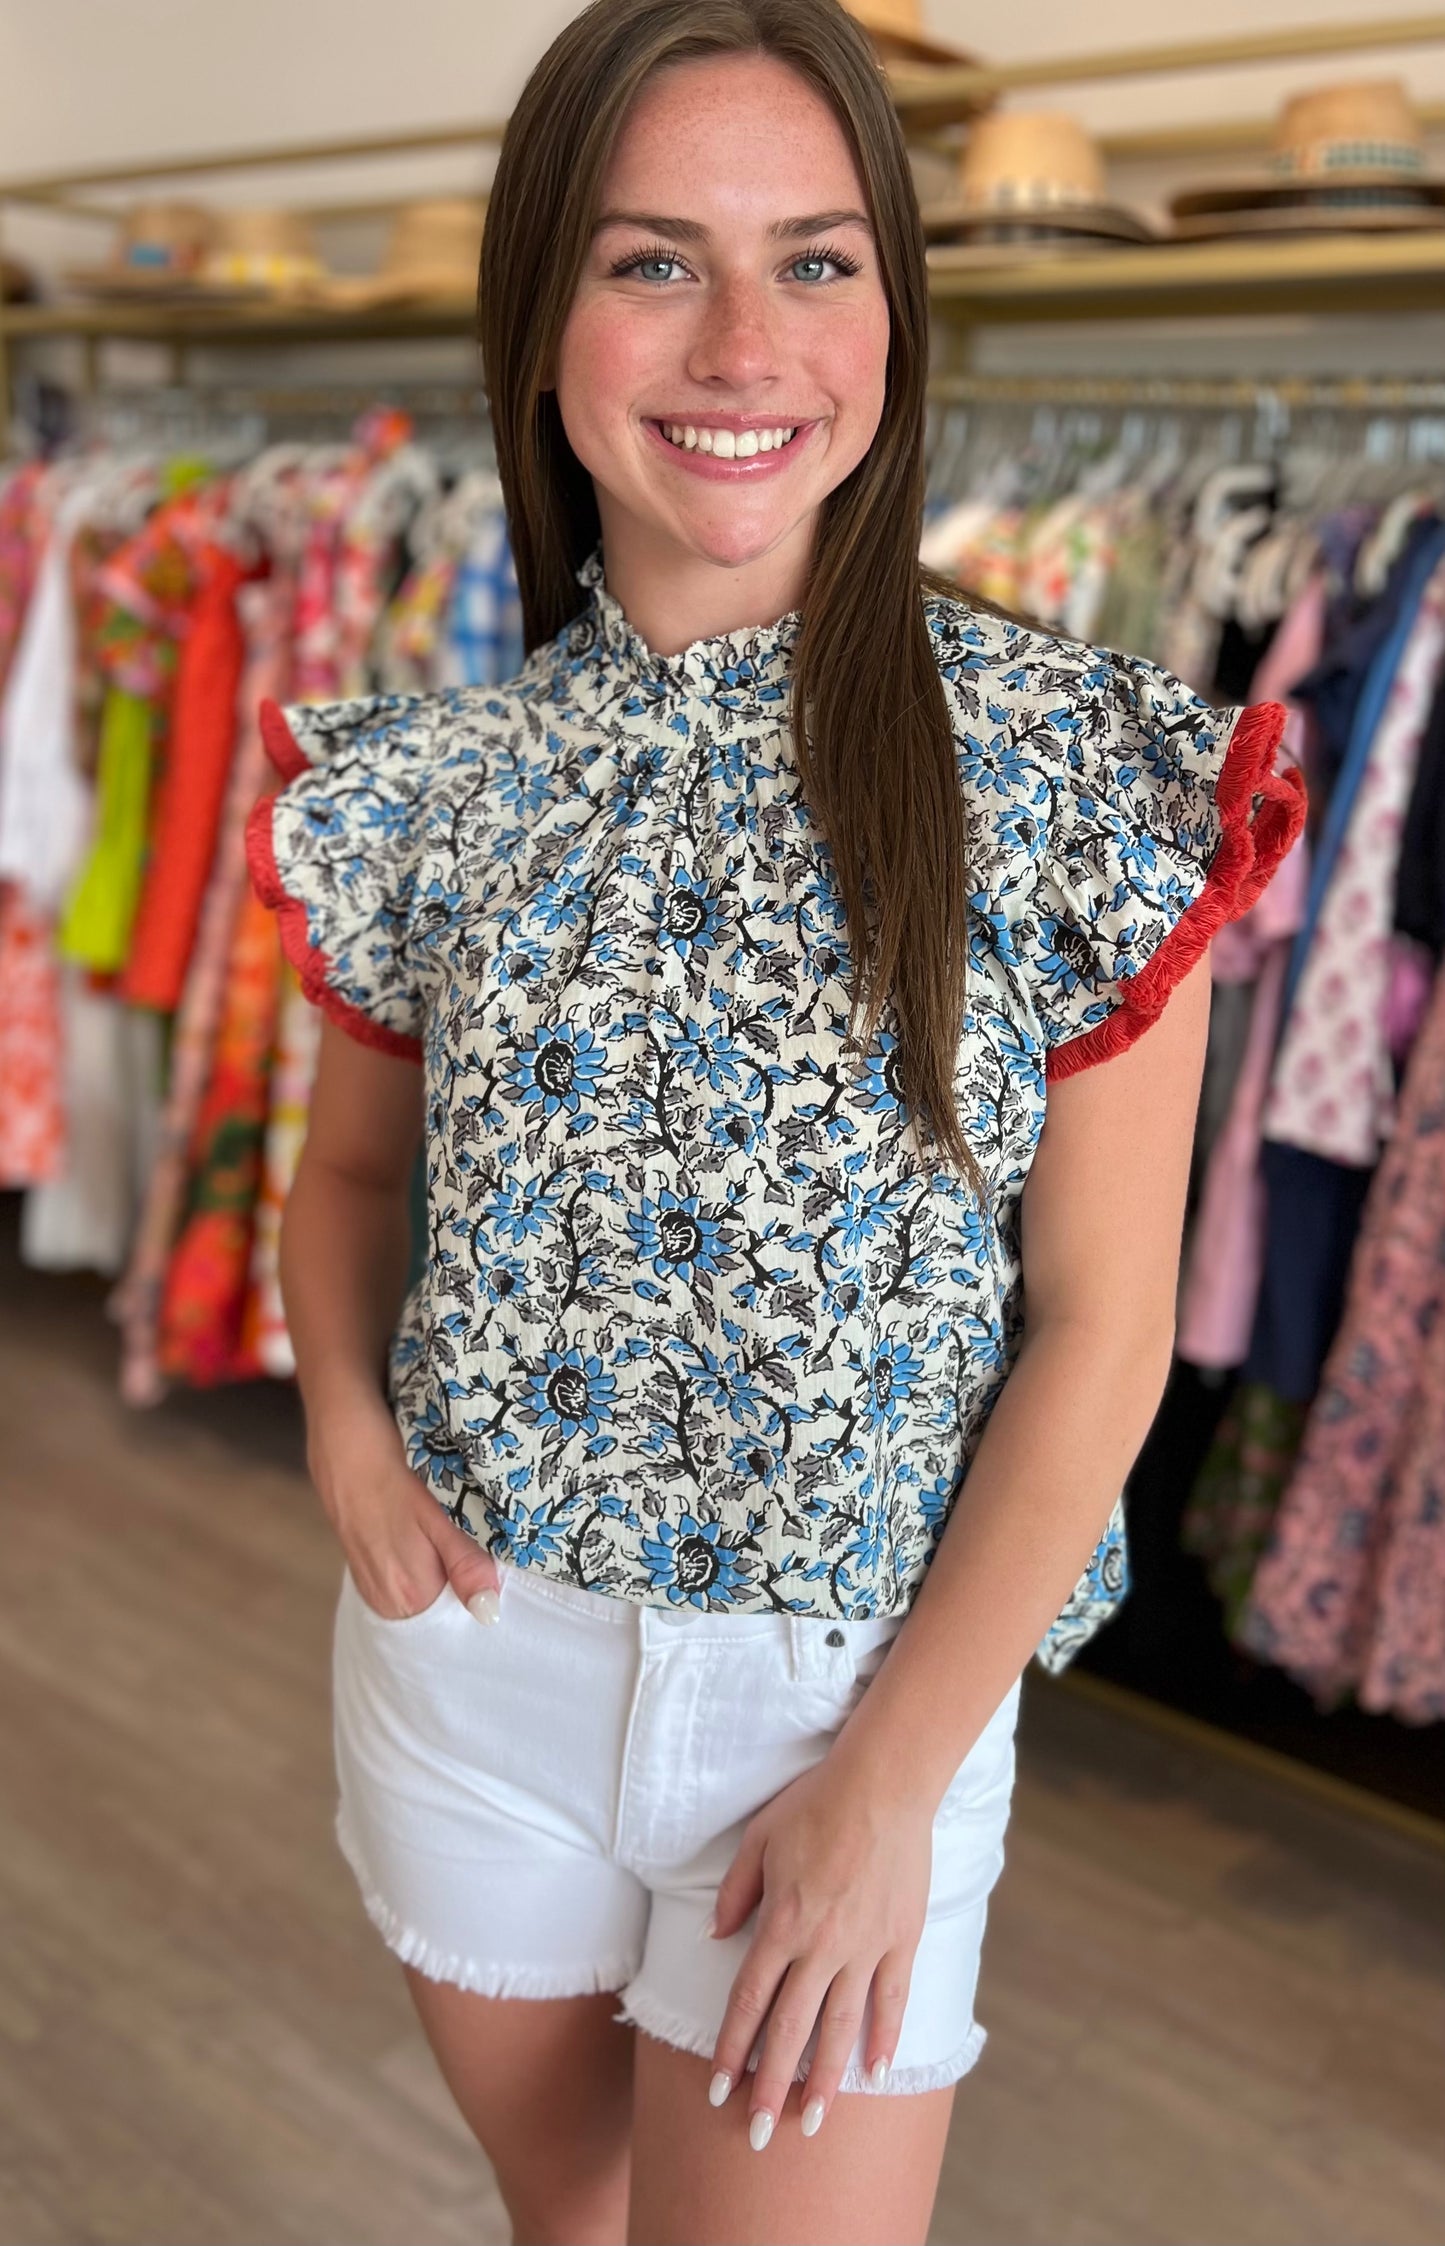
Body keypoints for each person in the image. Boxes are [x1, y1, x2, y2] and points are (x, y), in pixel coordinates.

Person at [245, 2, 1305, 2239]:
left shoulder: (1076, 772)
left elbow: (1104, 1334)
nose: (744, 341)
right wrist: (346, 1426)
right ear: (538, 311)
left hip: (842, 1707)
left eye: (817, 262)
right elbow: (348, 1179)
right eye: (653, 262)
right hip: (468, 1668)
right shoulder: (426, 787)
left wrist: (892, 1781)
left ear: (898, 315)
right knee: (574, 2223)